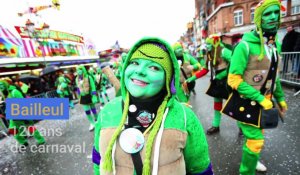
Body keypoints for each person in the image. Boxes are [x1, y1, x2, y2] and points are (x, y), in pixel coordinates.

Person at [92, 37, 213, 175]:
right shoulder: (108, 111)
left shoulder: (184, 117)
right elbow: (98, 161)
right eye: (135, 63)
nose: (140, 71)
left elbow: (200, 169)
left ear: (167, 78)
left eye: (154, 67)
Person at [227, 0, 288, 174]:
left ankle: (252, 161)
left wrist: (281, 98)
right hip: (246, 102)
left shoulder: (276, 45)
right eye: (267, 14)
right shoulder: (244, 46)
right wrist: (260, 98)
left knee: (257, 137)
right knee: (256, 141)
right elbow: (233, 80)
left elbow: (274, 77)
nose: (273, 17)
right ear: (259, 18)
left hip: (266, 102)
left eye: (276, 13)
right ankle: (246, 171)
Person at [186, 34, 232, 135]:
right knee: (217, 104)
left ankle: (242, 127)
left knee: (234, 104)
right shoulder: (209, 54)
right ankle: (216, 125)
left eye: (208, 44)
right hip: (218, 82)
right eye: (206, 44)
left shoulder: (224, 51)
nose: (206, 46)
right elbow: (205, 69)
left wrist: (223, 74)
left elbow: (235, 63)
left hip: (229, 81)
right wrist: (192, 78)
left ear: (215, 43)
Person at [0, 78, 45, 148]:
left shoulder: (14, 92)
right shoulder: (6, 94)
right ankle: (23, 142)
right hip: (13, 116)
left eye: (1, 85)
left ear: (7, 84)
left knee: (29, 127)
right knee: (12, 129)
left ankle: (41, 140)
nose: (0, 87)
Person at [75, 65, 99, 131]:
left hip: (89, 95)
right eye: (78, 70)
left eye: (80, 69)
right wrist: (79, 97)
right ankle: (92, 123)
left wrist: (94, 96)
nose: (79, 71)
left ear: (83, 70)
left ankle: (97, 119)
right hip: (83, 97)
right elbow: (78, 88)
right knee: (87, 111)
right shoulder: (76, 79)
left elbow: (93, 87)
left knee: (93, 109)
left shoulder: (88, 77)